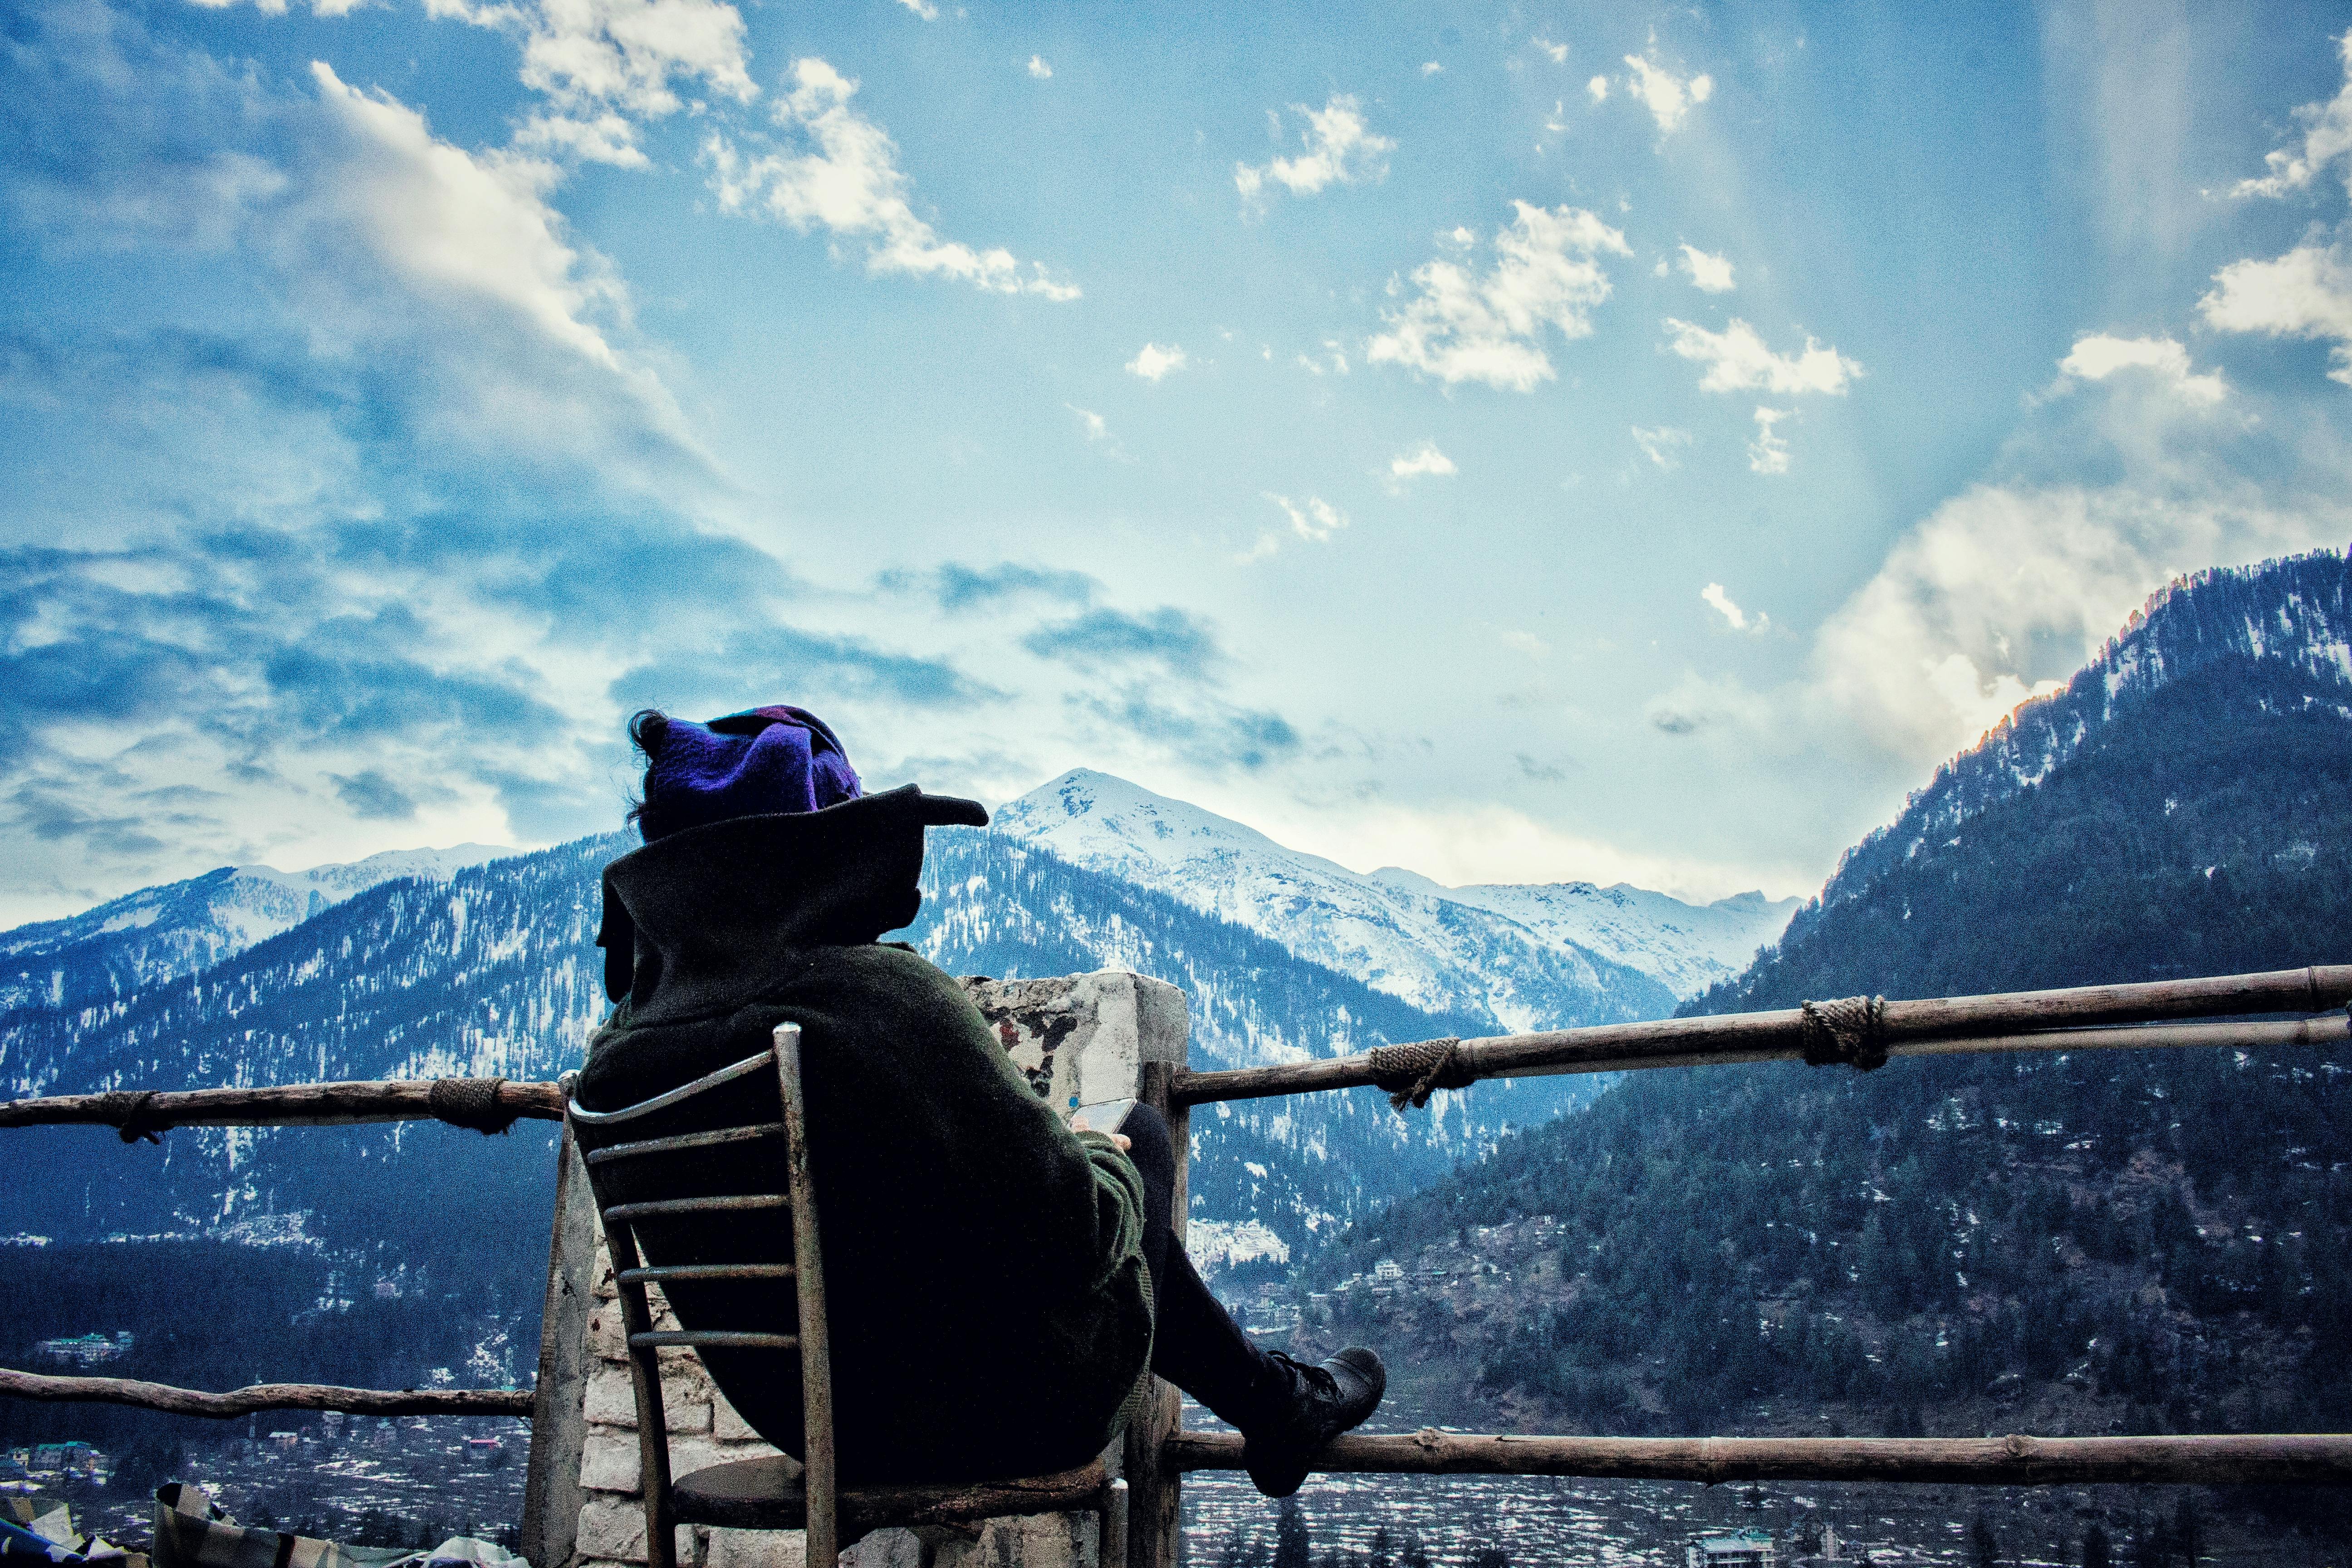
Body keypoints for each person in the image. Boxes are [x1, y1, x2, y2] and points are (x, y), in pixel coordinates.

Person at [576, 704, 1384, 1499]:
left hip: (805, 1423)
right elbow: (1079, 1232)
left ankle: (1277, 1402)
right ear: (825, 851)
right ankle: (1276, 1403)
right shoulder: (872, 998)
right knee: (1136, 1126)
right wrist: (1095, 1155)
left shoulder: (618, 1055)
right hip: (997, 1418)